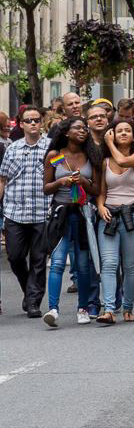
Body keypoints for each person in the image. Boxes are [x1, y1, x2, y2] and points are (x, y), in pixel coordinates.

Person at [42, 117, 102, 327]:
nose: (83, 131)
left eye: (84, 128)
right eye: (78, 128)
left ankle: (83, 308)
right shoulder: (54, 156)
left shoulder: (91, 155)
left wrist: (84, 181)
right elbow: (46, 188)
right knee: (57, 262)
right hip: (61, 214)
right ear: (66, 132)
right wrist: (61, 181)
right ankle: (53, 309)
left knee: (83, 265)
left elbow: (97, 189)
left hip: (83, 214)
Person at [95, 120, 134, 325]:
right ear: (112, 134)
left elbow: (124, 162)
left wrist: (108, 144)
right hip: (110, 216)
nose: (123, 133)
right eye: (119, 131)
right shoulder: (106, 161)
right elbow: (102, 191)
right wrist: (100, 206)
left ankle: (128, 308)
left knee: (130, 264)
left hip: (132, 216)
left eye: (128, 131)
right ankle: (109, 309)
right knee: (109, 263)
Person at [0, 106, 50, 317]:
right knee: (15, 256)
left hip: (42, 211)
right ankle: (27, 287)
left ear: (41, 123)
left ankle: (33, 302)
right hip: (15, 211)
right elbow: (3, 178)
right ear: (21, 124)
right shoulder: (13, 148)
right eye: (28, 120)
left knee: (39, 259)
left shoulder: (51, 147)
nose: (32, 124)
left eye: (36, 120)